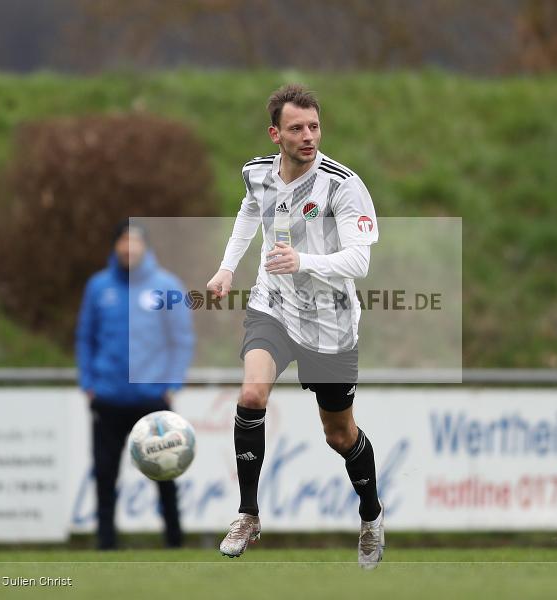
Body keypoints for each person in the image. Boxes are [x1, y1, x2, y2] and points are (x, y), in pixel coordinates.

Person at [206, 84, 383, 569]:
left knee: (339, 435)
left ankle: (370, 515)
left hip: (330, 321)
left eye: (314, 127)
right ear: (275, 134)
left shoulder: (344, 185)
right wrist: (228, 267)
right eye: (296, 128)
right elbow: (249, 209)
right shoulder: (257, 173)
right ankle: (247, 513)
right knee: (251, 396)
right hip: (273, 307)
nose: (308, 136)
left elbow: (360, 262)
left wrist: (303, 259)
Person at [76, 219, 195, 550]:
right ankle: (106, 544)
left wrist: (170, 383)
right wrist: (88, 382)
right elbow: (85, 338)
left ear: (146, 246)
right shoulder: (99, 287)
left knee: (166, 473)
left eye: (135, 241)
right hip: (109, 397)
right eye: (123, 241)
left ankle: (174, 542)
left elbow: (181, 340)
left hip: (152, 398)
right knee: (104, 474)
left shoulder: (167, 285)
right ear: (115, 247)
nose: (129, 247)